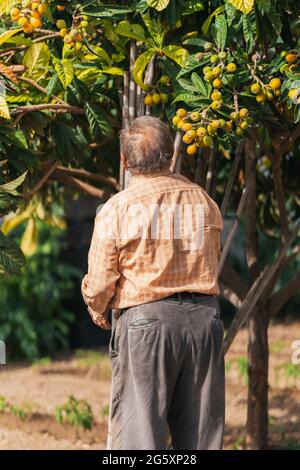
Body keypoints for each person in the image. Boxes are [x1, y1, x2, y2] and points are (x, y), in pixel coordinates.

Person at [81, 116, 225, 450]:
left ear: (124, 161)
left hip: (146, 324)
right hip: (204, 321)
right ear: (171, 156)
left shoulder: (118, 208)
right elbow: (213, 256)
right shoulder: (203, 200)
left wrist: (97, 308)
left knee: (141, 436)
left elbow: (101, 278)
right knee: (202, 437)